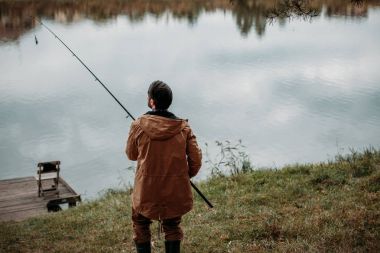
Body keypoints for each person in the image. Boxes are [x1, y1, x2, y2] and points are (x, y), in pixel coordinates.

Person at [126, 80, 202, 253]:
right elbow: (196, 161)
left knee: (140, 223)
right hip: (175, 190)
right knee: (172, 226)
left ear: (152, 102)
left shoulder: (138, 125)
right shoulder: (184, 128)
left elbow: (131, 155)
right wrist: (182, 176)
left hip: (146, 190)